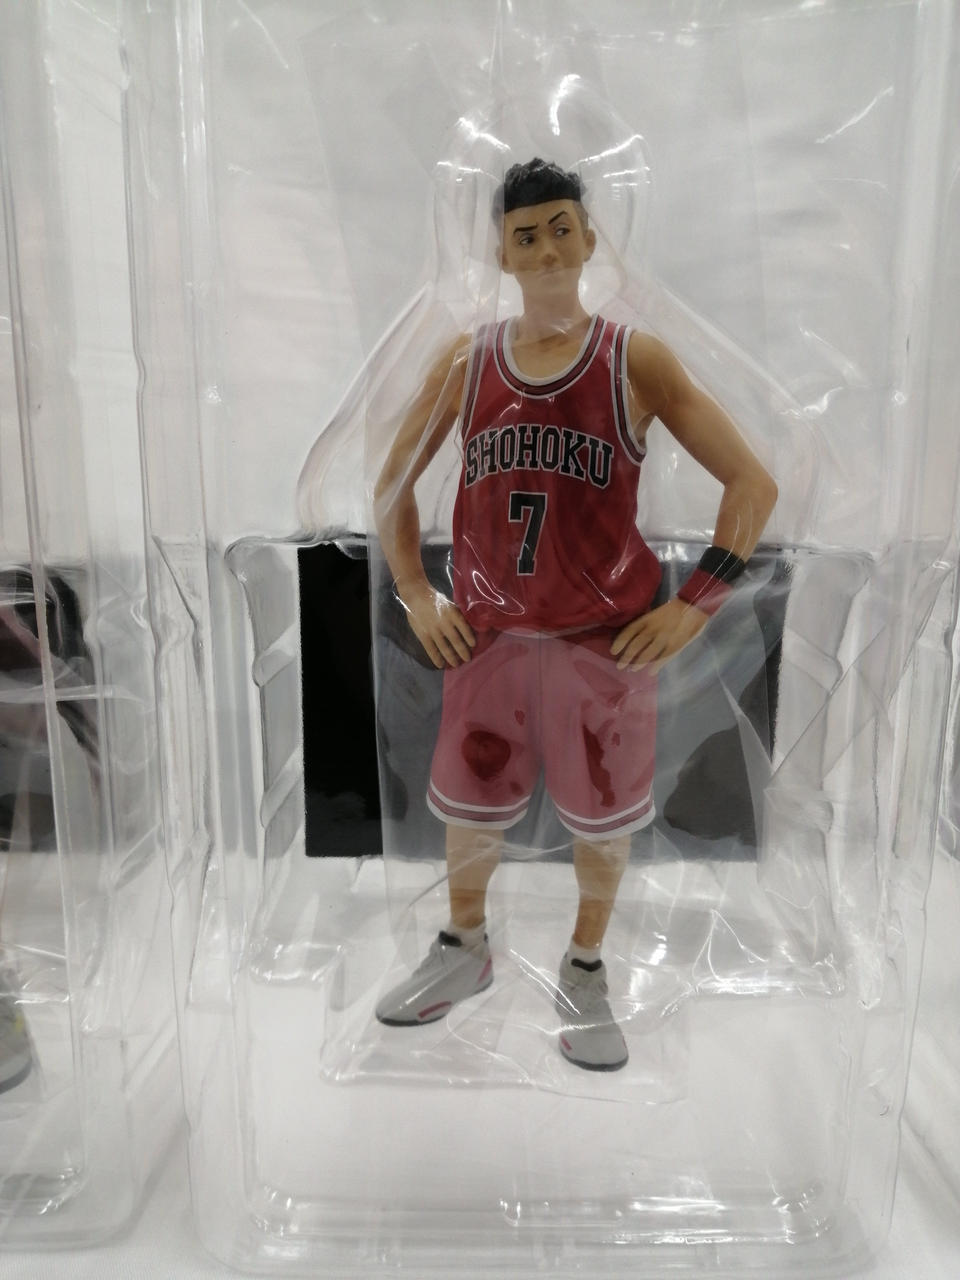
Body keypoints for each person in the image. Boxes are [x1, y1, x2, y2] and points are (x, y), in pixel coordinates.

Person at [372, 158, 777, 1070]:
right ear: (502, 254)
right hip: (489, 638)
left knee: (605, 821)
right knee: (471, 807)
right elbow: (391, 483)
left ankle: (586, 964)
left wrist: (698, 603)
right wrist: (414, 593)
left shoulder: (635, 359)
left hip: (603, 644)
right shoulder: (468, 361)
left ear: (591, 238)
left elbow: (753, 482)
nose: (548, 248)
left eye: (562, 228)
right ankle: (463, 947)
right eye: (527, 235)